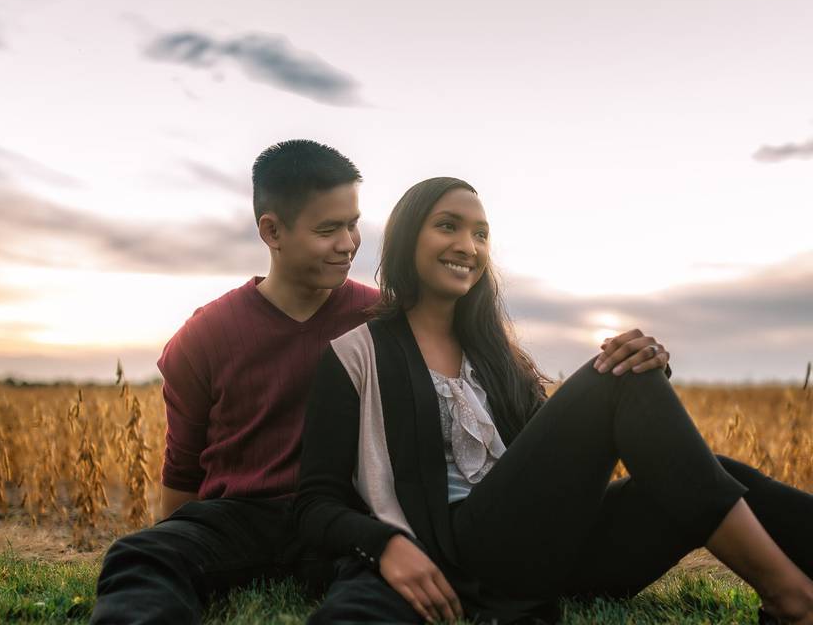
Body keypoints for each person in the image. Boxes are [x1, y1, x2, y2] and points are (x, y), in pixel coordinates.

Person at [294, 177, 813, 625]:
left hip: (555, 553)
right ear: (407, 237)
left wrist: (646, 371)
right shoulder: (355, 354)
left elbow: (552, 471)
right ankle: (791, 599)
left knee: (718, 467)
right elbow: (315, 503)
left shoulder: (499, 357)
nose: (468, 245)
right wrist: (384, 545)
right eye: (448, 226)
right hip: (461, 551)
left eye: (481, 234)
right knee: (618, 379)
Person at [90, 139, 381, 624]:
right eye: (328, 229)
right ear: (272, 230)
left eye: (353, 224)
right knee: (139, 557)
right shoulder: (204, 336)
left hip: (341, 517)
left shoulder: (379, 318)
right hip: (236, 519)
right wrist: (178, 545)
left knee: (387, 572)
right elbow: (183, 467)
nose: (349, 243)